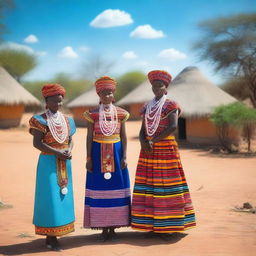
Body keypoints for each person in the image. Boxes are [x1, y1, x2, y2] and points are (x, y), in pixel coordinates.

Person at [131, 70, 196, 239]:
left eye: (159, 85)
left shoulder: (171, 105)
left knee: (167, 186)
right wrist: (143, 141)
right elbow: (143, 129)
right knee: (150, 187)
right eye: (153, 85)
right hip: (149, 150)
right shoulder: (147, 106)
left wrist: (154, 141)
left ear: (165, 88)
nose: (156, 88)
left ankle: (169, 226)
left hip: (166, 149)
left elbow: (173, 127)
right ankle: (153, 224)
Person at [29, 84, 76, 250]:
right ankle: (50, 238)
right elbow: (37, 143)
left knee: (62, 196)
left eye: (60, 101)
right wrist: (57, 152)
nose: (58, 104)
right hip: (48, 162)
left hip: (65, 161)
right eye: (55, 101)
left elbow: (70, 139)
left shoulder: (67, 120)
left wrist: (68, 150)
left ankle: (59, 230)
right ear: (46, 101)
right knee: (50, 198)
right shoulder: (39, 120)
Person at [83, 76, 131, 241]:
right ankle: (103, 227)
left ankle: (114, 227)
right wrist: (89, 158)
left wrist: (124, 156)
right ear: (99, 94)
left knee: (116, 188)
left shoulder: (121, 113)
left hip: (116, 155)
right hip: (97, 154)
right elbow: (89, 137)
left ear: (113, 94)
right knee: (100, 190)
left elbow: (123, 136)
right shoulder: (92, 114)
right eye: (103, 93)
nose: (107, 95)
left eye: (109, 92)